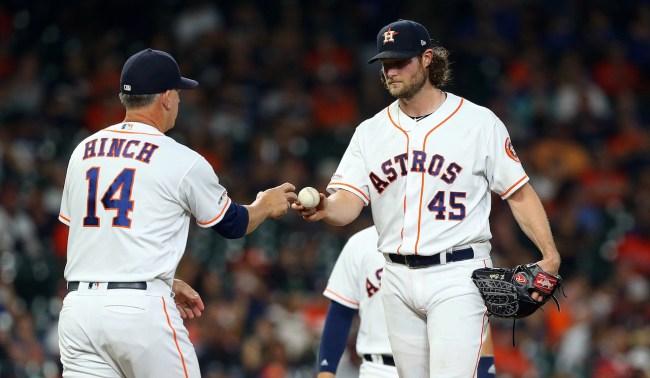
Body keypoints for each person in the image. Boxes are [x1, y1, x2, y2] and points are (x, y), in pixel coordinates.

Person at [294, 19, 561, 377]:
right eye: (385, 64)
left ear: (427, 59)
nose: (391, 71)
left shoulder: (478, 123)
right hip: (395, 276)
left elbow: (520, 194)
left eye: (400, 62)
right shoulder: (369, 132)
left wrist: (550, 253)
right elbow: (348, 204)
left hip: (457, 274)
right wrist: (325, 208)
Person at [57, 48, 297, 377]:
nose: (180, 102)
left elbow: (92, 236)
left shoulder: (83, 151)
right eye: (179, 94)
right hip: (141, 315)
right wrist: (265, 205)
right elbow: (233, 224)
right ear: (167, 98)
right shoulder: (180, 159)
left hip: (79, 311)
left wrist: (164, 279)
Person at [317, 226, 496, 378]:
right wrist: (326, 371)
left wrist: (487, 370)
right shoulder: (361, 243)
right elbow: (340, 312)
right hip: (377, 369)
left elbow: (472, 314)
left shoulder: (446, 238)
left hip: (437, 368)